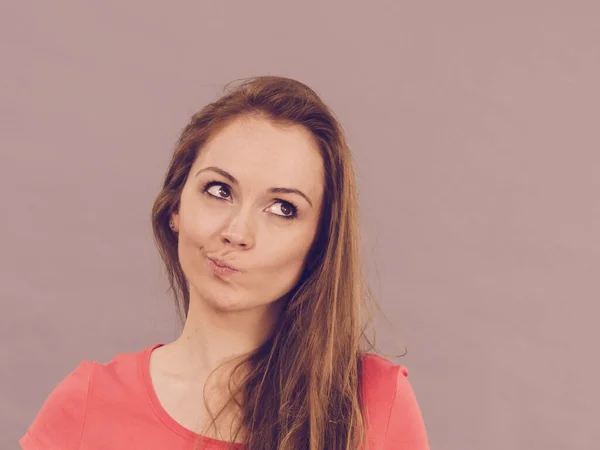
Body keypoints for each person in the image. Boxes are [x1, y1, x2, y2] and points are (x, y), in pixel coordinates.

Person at [20, 76, 430, 449]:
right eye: (219, 190)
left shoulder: (372, 404)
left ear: (319, 243)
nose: (237, 231)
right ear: (175, 206)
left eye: (283, 209)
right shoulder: (89, 401)